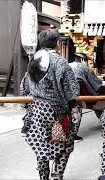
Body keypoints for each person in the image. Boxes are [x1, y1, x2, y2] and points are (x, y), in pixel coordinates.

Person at [22, 29, 80, 180]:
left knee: (41, 145)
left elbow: (25, 86)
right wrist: (74, 108)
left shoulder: (34, 59)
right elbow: (71, 90)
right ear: (57, 44)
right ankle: (57, 175)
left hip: (38, 112)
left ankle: (43, 177)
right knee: (64, 144)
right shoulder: (59, 61)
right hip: (56, 114)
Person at [69, 52, 102, 141]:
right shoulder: (84, 67)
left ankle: (64, 133)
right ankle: (72, 136)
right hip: (75, 92)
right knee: (77, 112)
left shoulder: (67, 65)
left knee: (66, 113)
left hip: (63, 92)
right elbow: (96, 83)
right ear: (83, 60)